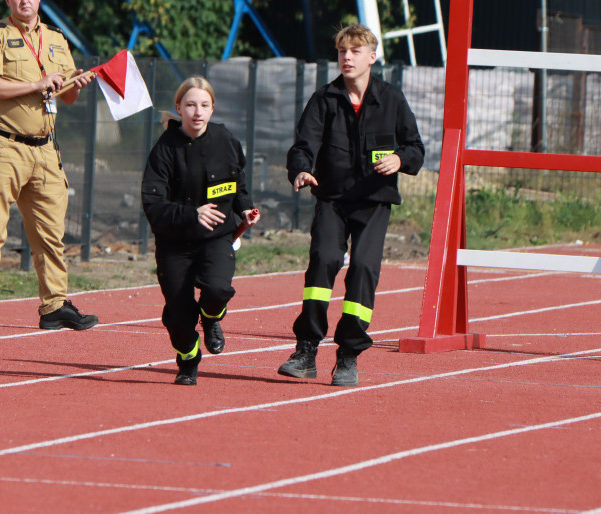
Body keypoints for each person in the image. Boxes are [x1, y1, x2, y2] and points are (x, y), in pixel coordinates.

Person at [278, 23, 424, 386]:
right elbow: (302, 146)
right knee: (325, 260)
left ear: (371, 57)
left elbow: (416, 150)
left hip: (374, 203)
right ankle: (306, 348)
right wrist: (301, 170)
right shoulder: (323, 100)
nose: (347, 57)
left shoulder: (391, 99)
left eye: (355, 51)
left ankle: (348, 355)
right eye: (342, 50)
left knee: (362, 268)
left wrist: (399, 160)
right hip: (332, 200)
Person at [0, 0, 99, 331]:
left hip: (44, 150)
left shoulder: (56, 38)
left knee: (51, 232)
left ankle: (54, 305)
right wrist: (37, 82)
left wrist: (76, 84)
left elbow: (66, 95)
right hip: (2, 146)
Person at [141, 76, 259, 385]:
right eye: (191, 105)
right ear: (179, 107)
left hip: (216, 236)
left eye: (204, 105)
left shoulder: (225, 140)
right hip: (174, 242)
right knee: (179, 316)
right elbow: (153, 203)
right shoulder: (165, 148)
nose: (197, 112)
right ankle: (189, 357)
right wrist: (191, 213)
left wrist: (245, 208)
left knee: (218, 289)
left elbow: (239, 183)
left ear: (212, 108)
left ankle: (211, 318)